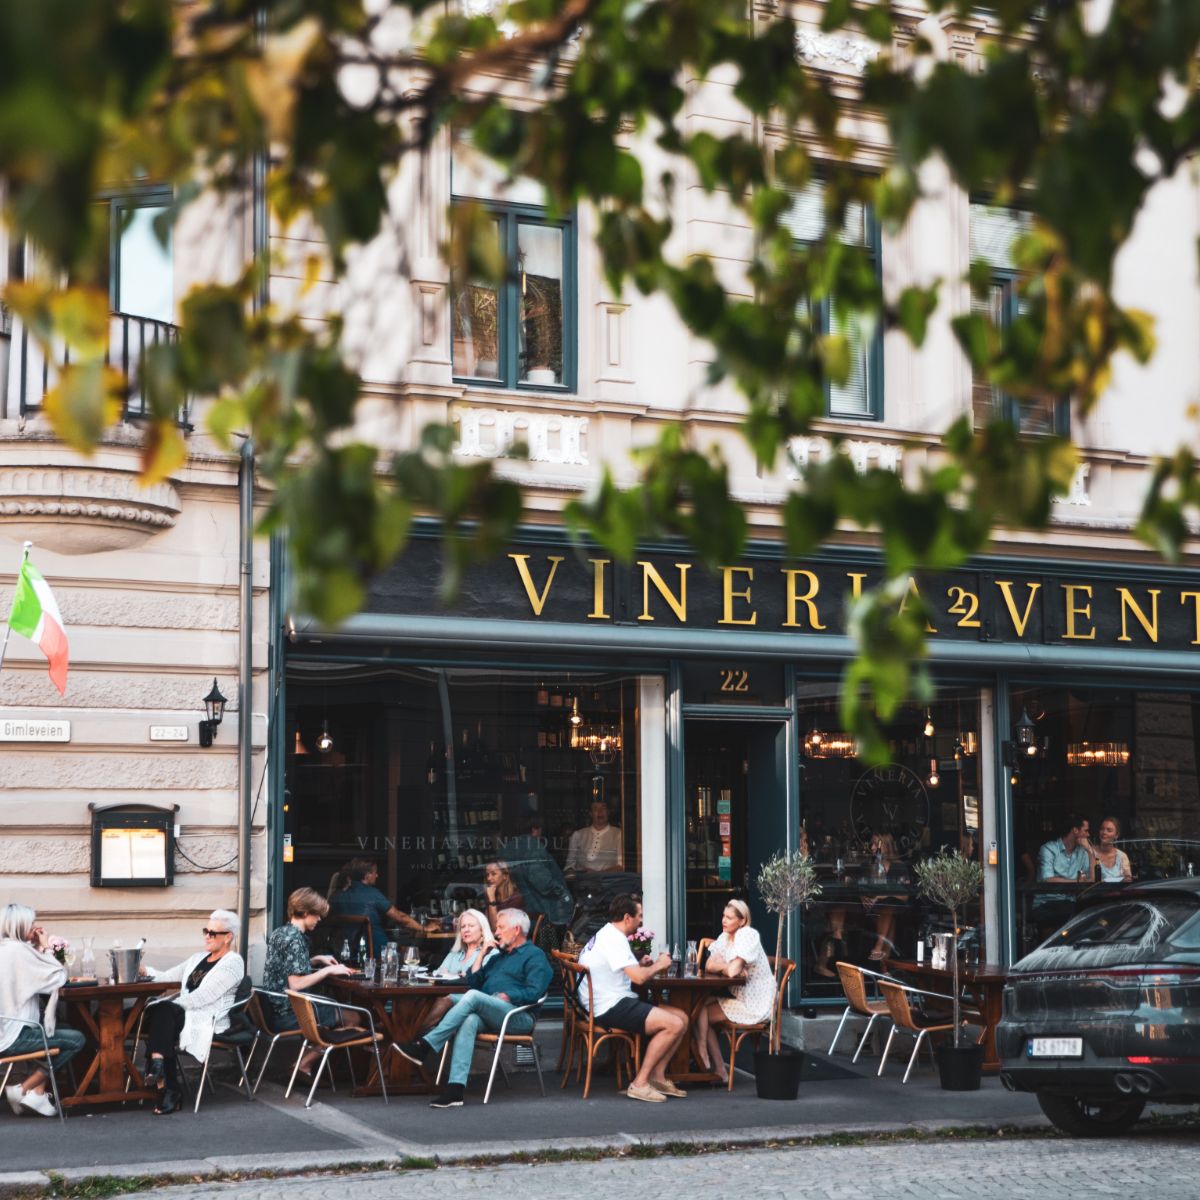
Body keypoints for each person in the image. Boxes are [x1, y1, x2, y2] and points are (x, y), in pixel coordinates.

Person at [394, 908, 553, 1108]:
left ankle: (425, 1046)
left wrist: (510, 995)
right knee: (468, 1020)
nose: (496, 932)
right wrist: (483, 954)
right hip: (490, 1011)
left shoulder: (535, 956)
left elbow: (536, 991)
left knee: (472, 998)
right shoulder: (499, 957)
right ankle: (455, 1090)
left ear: (517, 929)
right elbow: (473, 982)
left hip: (517, 1016)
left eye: (501, 927)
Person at [578, 894, 688, 1103]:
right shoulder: (615, 939)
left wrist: (640, 962)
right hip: (610, 1005)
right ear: (628, 917)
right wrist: (659, 965)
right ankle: (640, 1083)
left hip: (606, 1000)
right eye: (640, 916)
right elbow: (637, 978)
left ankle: (658, 1076)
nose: (642, 921)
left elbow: (625, 969)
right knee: (673, 1024)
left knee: (682, 1017)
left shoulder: (607, 934)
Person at [139, 909, 245, 1115]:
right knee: (161, 1015)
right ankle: (164, 1078)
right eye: (206, 930)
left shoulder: (233, 963)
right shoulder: (198, 958)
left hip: (207, 1016)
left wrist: (175, 1005)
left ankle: (162, 1077)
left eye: (213, 933)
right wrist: (145, 970)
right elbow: (168, 977)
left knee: (163, 1012)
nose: (207, 936)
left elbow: (204, 996)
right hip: (182, 1012)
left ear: (228, 937)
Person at [261, 888, 358, 1081]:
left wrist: (316, 960)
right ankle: (303, 1064)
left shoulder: (282, 932)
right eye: (318, 914)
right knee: (354, 1018)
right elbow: (295, 984)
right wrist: (328, 970)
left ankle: (306, 1063)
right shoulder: (295, 940)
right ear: (305, 913)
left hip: (275, 1008)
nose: (320, 919)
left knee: (332, 1007)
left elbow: (285, 966)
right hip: (291, 1013)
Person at [0, 904, 86, 1118]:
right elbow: (56, 978)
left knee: (60, 1028)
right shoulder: (18, 951)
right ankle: (22, 1089)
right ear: (19, 926)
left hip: (8, 1030)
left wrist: (37, 950)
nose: (35, 927)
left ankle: (38, 1093)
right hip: (15, 1036)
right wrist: (47, 947)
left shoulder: (7, 949)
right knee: (77, 1039)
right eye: (31, 924)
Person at [690, 899, 774, 1085]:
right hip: (738, 995)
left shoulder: (747, 934)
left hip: (754, 1002)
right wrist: (725, 966)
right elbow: (710, 964)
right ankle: (710, 1059)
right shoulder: (725, 936)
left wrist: (727, 967)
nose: (724, 920)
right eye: (723, 916)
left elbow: (733, 971)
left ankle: (711, 1061)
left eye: (729, 917)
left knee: (697, 1012)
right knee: (698, 1006)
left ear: (742, 921)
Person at [327, 858, 437, 956]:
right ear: (367, 876)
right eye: (375, 872)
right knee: (419, 955)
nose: (377, 875)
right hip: (377, 953)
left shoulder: (337, 898)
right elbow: (400, 917)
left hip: (346, 954)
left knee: (407, 950)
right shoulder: (372, 894)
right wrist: (424, 928)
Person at [564, 800, 624, 875]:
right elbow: (569, 866)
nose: (600, 812)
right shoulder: (578, 835)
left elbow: (621, 866)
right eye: (595, 809)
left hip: (608, 883)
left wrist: (597, 874)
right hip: (583, 883)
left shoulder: (618, 834)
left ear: (608, 812)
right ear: (591, 814)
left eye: (603, 808)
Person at [434, 908, 497, 977]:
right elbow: (437, 974)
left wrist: (449, 974)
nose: (466, 930)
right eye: (463, 926)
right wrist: (460, 975)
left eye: (471, 926)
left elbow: (482, 977)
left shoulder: (491, 953)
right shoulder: (454, 954)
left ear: (482, 930)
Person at [1037, 815, 1094, 882]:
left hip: (1075, 892)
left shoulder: (1083, 851)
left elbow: (1091, 880)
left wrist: (1090, 852)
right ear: (1075, 830)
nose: (1088, 834)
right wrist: (1077, 882)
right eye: (1086, 831)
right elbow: (1048, 879)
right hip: (1051, 892)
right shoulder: (1048, 849)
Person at [482, 861, 525, 932]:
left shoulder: (516, 898)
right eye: (487, 875)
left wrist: (492, 900)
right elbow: (486, 925)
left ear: (505, 876)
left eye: (493, 874)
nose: (489, 878)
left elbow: (496, 928)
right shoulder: (491, 895)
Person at [1095, 816, 1133, 882]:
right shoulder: (1091, 852)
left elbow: (1128, 880)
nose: (1104, 832)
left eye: (1109, 830)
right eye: (1102, 829)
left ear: (1116, 835)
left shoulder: (1122, 856)